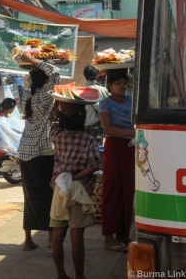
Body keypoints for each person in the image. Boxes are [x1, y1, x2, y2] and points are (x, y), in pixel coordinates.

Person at [49, 99, 101, 279]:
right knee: (76, 235)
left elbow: (52, 118)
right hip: (79, 190)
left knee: (58, 233)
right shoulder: (88, 139)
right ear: (83, 119)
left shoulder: (57, 135)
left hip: (60, 189)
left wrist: (58, 102)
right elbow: (94, 164)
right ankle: (80, 276)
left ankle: (61, 274)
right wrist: (76, 176)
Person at [17, 51, 60, 251]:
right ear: (46, 81)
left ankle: (28, 241)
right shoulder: (46, 94)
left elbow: (34, 77)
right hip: (45, 152)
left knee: (30, 196)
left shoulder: (27, 94)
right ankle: (51, 242)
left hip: (25, 152)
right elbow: (56, 72)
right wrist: (34, 60)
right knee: (50, 197)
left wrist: (30, 65)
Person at [99, 68, 135, 252]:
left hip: (131, 148)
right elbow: (109, 130)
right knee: (112, 190)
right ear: (110, 86)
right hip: (114, 147)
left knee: (128, 191)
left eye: (124, 83)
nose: (122, 86)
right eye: (117, 83)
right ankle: (109, 237)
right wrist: (131, 132)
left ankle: (123, 234)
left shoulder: (131, 100)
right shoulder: (104, 103)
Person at [83, 64, 110, 145]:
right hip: (97, 125)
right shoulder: (103, 90)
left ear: (85, 76)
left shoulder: (81, 89)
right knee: (96, 149)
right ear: (97, 75)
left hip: (83, 125)